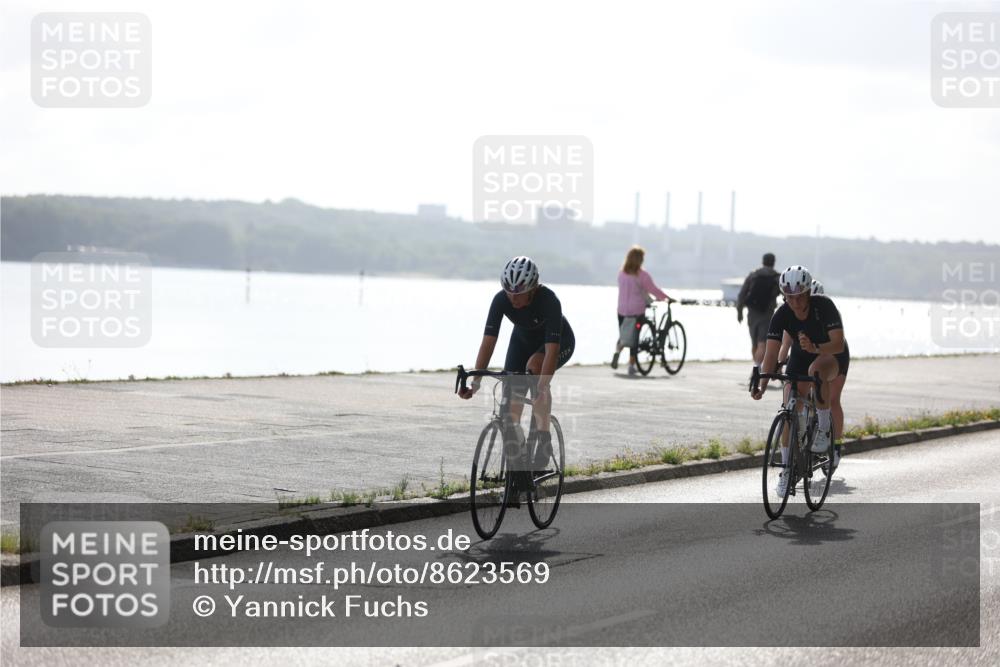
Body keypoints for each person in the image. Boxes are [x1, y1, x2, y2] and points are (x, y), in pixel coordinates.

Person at [458, 256, 575, 472]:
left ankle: (544, 439)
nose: (513, 298)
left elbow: (551, 351)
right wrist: (475, 383)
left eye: (518, 293)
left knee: (535, 367)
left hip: (557, 343)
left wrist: (542, 386)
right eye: (508, 291)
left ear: (532, 289)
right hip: (521, 341)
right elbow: (487, 344)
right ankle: (518, 470)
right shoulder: (500, 300)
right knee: (512, 395)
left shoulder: (549, 301)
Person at [751, 266, 850, 495]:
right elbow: (772, 354)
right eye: (789, 297)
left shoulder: (824, 307)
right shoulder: (782, 314)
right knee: (789, 408)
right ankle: (787, 470)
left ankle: (824, 429)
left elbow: (838, 343)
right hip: (800, 355)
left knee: (816, 371)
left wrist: (815, 346)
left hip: (830, 355)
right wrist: (763, 384)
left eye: (799, 296)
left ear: (807, 293)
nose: (794, 302)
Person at [611, 246, 671, 376]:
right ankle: (631, 365)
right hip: (636, 311)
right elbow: (653, 290)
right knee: (634, 339)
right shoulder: (642, 275)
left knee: (624, 333)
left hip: (621, 310)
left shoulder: (621, 273)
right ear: (640, 260)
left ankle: (618, 351)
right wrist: (666, 298)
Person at [736, 253, 781, 367]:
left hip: (752, 312)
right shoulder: (777, 277)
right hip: (767, 313)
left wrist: (739, 312)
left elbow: (742, 294)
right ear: (773, 262)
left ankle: (756, 368)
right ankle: (757, 368)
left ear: (763, 261)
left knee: (754, 343)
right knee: (762, 343)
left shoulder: (753, 275)